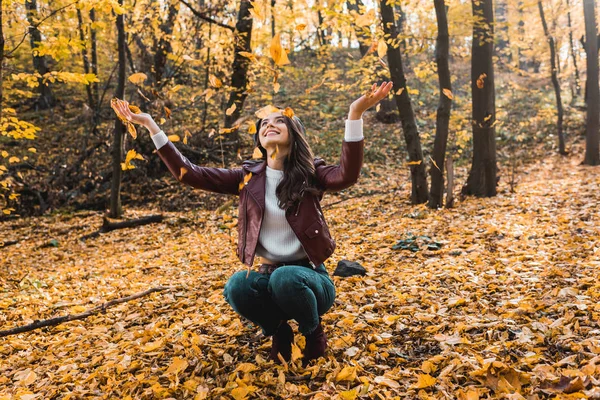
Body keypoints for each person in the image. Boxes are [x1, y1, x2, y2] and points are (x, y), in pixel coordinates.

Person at [112, 81, 393, 366]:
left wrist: (355, 112)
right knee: (237, 285)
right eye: (264, 124)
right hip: (269, 278)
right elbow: (190, 174)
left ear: (293, 134)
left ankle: (313, 331)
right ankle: (279, 330)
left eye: (279, 121)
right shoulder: (246, 179)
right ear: (259, 140)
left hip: (313, 279)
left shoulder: (311, 173)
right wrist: (149, 125)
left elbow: (347, 175)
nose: (269, 125)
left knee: (287, 278)